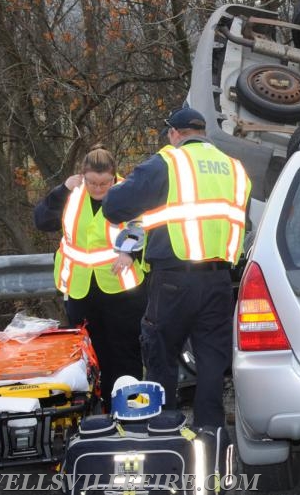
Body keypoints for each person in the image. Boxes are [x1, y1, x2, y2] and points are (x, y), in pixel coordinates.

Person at [102, 107, 251, 430]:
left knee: (160, 352)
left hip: (173, 280)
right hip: (220, 281)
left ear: (174, 134)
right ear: (203, 133)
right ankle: (211, 433)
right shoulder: (235, 169)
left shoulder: (167, 162)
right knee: (212, 360)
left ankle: (164, 428)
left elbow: (114, 207)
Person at [33, 145, 146, 411]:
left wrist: (130, 252)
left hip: (121, 289)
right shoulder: (72, 195)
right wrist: (62, 189)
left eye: (104, 182)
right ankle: (95, 411)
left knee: (124, 352)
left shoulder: (127, 193)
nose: (98, 188)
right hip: (81, 289)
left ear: (114, 176)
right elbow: (41, 220)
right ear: (83, 176)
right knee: (90, 354)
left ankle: (128, 408)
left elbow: (141, 226)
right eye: (92, 182)